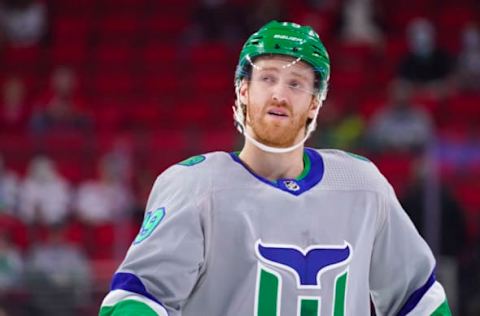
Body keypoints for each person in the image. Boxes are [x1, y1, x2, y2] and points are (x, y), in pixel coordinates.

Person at [100, 21, 451, 315]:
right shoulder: (194, 186)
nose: (279, 95)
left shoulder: (363, 185)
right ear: (243, 91)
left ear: (315, 102)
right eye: (267, 78)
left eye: (296, 83)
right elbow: (138, 297)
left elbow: (419, 297)